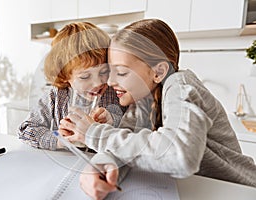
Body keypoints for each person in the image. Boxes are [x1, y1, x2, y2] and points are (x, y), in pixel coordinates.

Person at [60, 19, 256, 199]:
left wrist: (94, 133)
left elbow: (180, 154)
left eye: (121, 72)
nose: (110, 82)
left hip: (240, 191)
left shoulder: (180, 86)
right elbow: (127, 140)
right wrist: (102, 165)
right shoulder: (142, 100)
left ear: (158, 72)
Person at [18, 22, 126, 151]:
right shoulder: (56, 96)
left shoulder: (114, 92)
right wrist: (58, 140)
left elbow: (132, 130)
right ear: (64, 75)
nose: (98, 83)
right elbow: (27, 130)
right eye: (85, 77)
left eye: (104, 72)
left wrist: (112, 119)